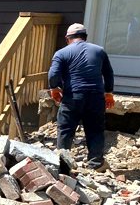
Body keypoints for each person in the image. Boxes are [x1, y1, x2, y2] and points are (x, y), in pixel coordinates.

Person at [48, 22, 115, 170]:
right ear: (85, 37)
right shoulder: (99, 51)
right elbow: (108, 73)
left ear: (67, 38)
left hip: (73, 97)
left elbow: (53, 74)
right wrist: (108, 93)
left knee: (66, 129)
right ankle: (95, 164)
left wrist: (54, 88)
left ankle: (63, 164)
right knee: (95, 129)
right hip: (96, 97)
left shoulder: (62, 53)